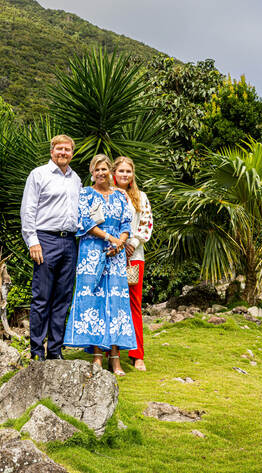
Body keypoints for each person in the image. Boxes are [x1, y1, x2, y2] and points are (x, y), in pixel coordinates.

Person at [63, 154, 136, 376]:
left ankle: (115, 359)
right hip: (91, 254)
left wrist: (120, 242)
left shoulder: (120, 196)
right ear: (91, 172)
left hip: (115, 256)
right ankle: (96, 356)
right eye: (97, 169)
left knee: (115, 303)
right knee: (93, 302)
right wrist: (110, 238)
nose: (101, 173)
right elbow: (85, 222)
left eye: (104, 169)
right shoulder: (85, 194)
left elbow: (126, 222)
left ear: (110, 171)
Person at [20, 134, 82, 360]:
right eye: (59, 149)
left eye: (67, 149)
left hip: (70, 242)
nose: (63, 153)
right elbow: (28, 210)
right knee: (42, 298)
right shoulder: (39, 175)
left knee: (62, 299)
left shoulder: (76, 179)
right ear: (52, 151)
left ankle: (55, 351)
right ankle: (36, 351)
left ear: (72, 153)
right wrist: (32, 241)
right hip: (45, 240)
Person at [113, 156, 153, 371]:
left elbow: (147, 224)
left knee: (133, 304)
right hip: (112, 256)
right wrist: (118, 243)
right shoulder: (108, 194)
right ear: (114, 173)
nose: (125, 175)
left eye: (128, 171)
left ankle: (137, 354)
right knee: (113, 304)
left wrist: (133, 242)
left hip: (134, 257)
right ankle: (112, 352)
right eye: (121, 171)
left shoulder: (140, 196)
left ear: (133, 175)